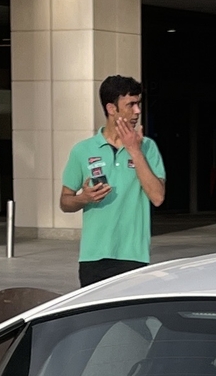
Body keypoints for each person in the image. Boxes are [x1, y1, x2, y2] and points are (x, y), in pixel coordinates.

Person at [59, 74, 166, 287]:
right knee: (94, 320)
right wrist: (84, 198)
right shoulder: (82, 150)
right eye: (131, 105)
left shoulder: (147, 147)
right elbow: (65, 201)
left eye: (138, 104)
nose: (137, 111)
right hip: (93, 257)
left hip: (133, 255)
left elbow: (157, 197)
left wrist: (135, 151)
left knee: (133, 319)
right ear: (111, 108)